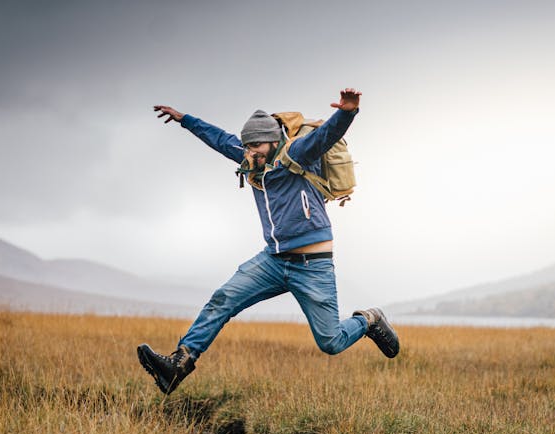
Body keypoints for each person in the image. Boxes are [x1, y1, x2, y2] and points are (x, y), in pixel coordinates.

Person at [137, 88, 399, 394]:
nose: (250, 152)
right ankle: (178, 364)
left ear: (274, 141)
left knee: (331, 342)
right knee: (223, 299)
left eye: (256, 146)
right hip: (273, 261)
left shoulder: (298, 153)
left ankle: (369, 320)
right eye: (247, 146)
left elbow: (326, 135)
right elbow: (220, 139)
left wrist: (347, 111)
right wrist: (185, 120)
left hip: (312, 266)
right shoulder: (252, 159)